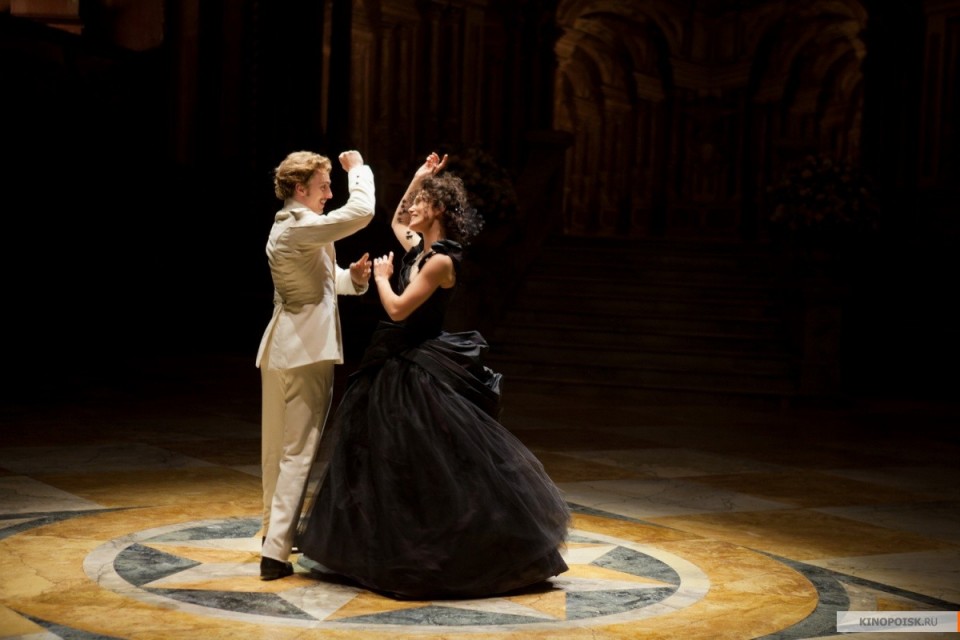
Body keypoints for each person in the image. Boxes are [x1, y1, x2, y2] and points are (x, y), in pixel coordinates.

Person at [296, 151, 570, 599]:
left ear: (439, 210)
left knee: (431, 464)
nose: (412, 209)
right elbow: (396, 219)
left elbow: (398, 310)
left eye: (422, 203)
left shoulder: (440, 262)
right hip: (396, 360)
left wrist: (381, 277)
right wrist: (419, 176)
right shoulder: (418, 248)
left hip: (419, 365)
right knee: (385, 463)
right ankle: (381, 549)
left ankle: (445, 555)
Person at [256, 149, 375, 580]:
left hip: (282, 348)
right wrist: (357, 170)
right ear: (299, 188)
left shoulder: (289, 225)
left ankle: (273, 535)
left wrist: (353, 279)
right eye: (323, 186)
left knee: (277, 449)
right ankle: (275, 553)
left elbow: (320, 284)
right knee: (297, 450)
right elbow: (361, 212)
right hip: (305, 350)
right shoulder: (300, 225)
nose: (328, 194)